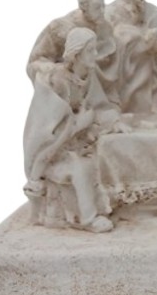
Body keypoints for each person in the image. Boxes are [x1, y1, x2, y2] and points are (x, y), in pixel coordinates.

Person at [23, 28, 125, 233]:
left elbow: (97, 107)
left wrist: (112, 121)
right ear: (76, 53)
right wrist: (81, 123)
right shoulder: (57, 80)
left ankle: (109, 206)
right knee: (80, 168)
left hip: (77, 143)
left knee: (105, 157)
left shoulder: (88, 75)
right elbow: (51, 128)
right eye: (90, 50)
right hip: (52, 151)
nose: (95, 54)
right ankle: (87, 219)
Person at [27, 0, 118, 98]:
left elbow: (108, 52)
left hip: (89, 77)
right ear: (83, 7)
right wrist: (58, 72)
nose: (102, 11)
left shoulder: (103, 25)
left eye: (103, 6)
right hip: (60, 76)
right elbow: (37, 61)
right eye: (97, 7)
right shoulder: (60, 28)